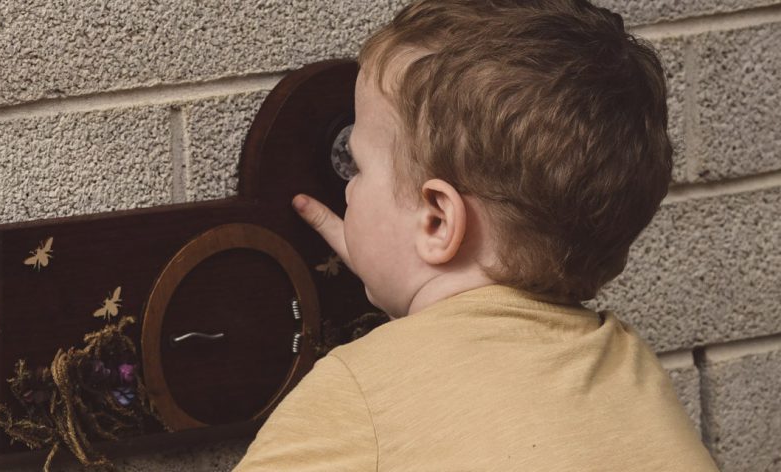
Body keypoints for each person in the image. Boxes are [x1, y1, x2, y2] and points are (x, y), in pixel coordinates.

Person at [233, 0, 720, 470]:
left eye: (355, 167)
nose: (349, 190)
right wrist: (406, 276)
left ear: (438, 220)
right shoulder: (634, 372)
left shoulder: (358, 393)